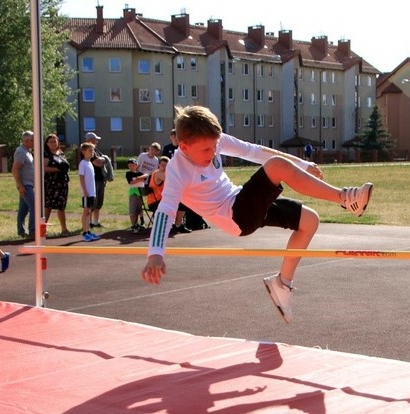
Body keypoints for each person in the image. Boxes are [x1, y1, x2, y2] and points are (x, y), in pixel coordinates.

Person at [140, 105, 373, 323]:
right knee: (276, 167)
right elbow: (166, 210)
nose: (213, 153)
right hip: (235, 216)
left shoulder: (215, 142)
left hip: (243, 201)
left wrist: (302, 164)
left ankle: (282, 285)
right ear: (184, 146)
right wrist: (155, 252)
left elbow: (255, 151)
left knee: (309, 221)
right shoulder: (177, 170)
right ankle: (345, 198)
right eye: (206, 150)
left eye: (215, 147)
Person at [162, 129, 192, 234]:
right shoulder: (167, 148)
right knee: (170, 202)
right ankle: (167, 224)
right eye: (173, 136)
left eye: (177, 136)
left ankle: (178, 224)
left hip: (183, 178)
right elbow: (163, 163)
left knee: (184, 203)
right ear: (171, 137)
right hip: (171, 179)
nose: (175, 138)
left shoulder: (183, 148)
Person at [43, 134, 70, 236]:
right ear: (47, 144)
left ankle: (64, 229)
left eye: (55, 141)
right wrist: (57, 169)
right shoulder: (46, 154)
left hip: (62, 182)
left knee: (61, 207)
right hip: (51, 183)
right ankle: (42, 230)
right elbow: (43, 168)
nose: (53, 143)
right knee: (48, 206)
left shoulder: (61, 153)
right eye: (51, 142)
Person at [12, 130, 35, 238]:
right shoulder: (21, 152)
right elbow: (15, 169)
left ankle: (21, 231)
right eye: (32, 140)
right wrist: (20, 185)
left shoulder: (27, 151)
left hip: (28, 184)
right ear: (26, 141)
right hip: (25, 184)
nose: (35, 142)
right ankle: (33, 231)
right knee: (34, 206)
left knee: (23, 209)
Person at [84, 132, 109, 229]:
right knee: (92, 203)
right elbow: (97, 162)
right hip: (93, 180)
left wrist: (103, 160)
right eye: (95, 140)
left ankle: (96, 222)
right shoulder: (87, 151)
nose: (97, 141)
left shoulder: (96, 150)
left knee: (99, 202)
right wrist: (104, 160)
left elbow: (101, 160)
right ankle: (89, 222)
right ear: (89, 140)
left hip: (100, 178)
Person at [79, 142, 101, 242]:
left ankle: (88, 231)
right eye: (90, 151)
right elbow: (81, 178)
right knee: (86, 212)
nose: (92, 153)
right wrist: (85, 191)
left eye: (93, 151)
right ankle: (85, 232)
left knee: (89, 212)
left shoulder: (90, 163)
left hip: (92, 192)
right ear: (84, 151)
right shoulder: (82, 163)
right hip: (87, 193)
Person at [125, 158, 148, 233]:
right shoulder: (128, 174)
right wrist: (139, 179)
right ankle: (133, 225)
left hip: (140, 193)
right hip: (133, 193)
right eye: (130, 166)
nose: (131, 167)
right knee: (133, 210)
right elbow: (131, 182)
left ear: (136, 165)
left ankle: (139, 223)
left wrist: (139, 178)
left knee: (139, 209)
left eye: (133, 165)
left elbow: (146, 175)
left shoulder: (139, 173)